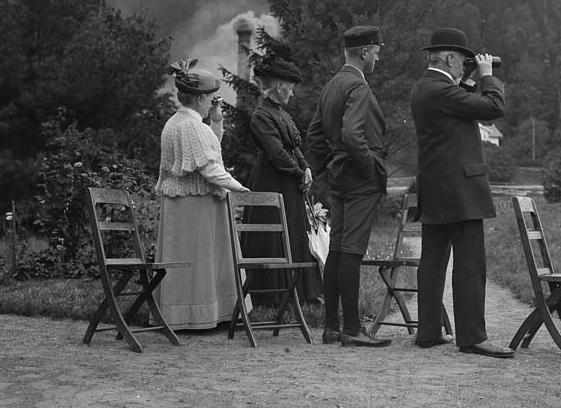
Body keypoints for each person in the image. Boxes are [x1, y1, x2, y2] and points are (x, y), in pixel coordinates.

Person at [410, 28, 513, 358]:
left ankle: (428, 331)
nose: (464, 65)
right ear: (450, 58)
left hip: (436, 188)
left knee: (433, 262)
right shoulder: (441, 90)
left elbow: (459, 105)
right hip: (461, 189)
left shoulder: (426, 87)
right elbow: (492, 107)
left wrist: (467, 79)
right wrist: (487, 75)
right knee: (469, 263)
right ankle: (472, 337)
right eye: (462, 60)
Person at [307, 26, 391, 348]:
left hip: (340, 177)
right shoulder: (358, 86)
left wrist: (329, 167)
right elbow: (354, 135)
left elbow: (315, 136)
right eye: (377, 52)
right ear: (365, 52)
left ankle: (331, 328)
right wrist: (369, 170)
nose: (378, 58)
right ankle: (353, 329)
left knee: (338, 249)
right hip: (359, 178)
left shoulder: (332, 86)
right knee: (352, 250)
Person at [154, 60, 250, 330]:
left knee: (193, 260)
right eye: (209, 98)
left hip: (185, 205)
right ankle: (195, 315)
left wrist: (216, 120)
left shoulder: (182, 122)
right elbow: (209, 167)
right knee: (198, 261)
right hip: (194, 207)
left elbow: (209, 149)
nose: (211, 102)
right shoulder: (190, 126)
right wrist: (240, 188)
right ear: (198, 99)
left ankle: (187, 313)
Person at [241, 55, 322, 306]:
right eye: (290, 87)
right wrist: (299, 173)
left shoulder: (280, 113)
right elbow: (276, 153)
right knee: (274, 231)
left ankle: (302, 293)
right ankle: (272, 294)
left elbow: (294, 146)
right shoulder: (260, 116)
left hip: (288, 179)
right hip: (270, 180)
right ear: (279, 86)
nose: (292, 93)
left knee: (295, 228)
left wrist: (306, 168)